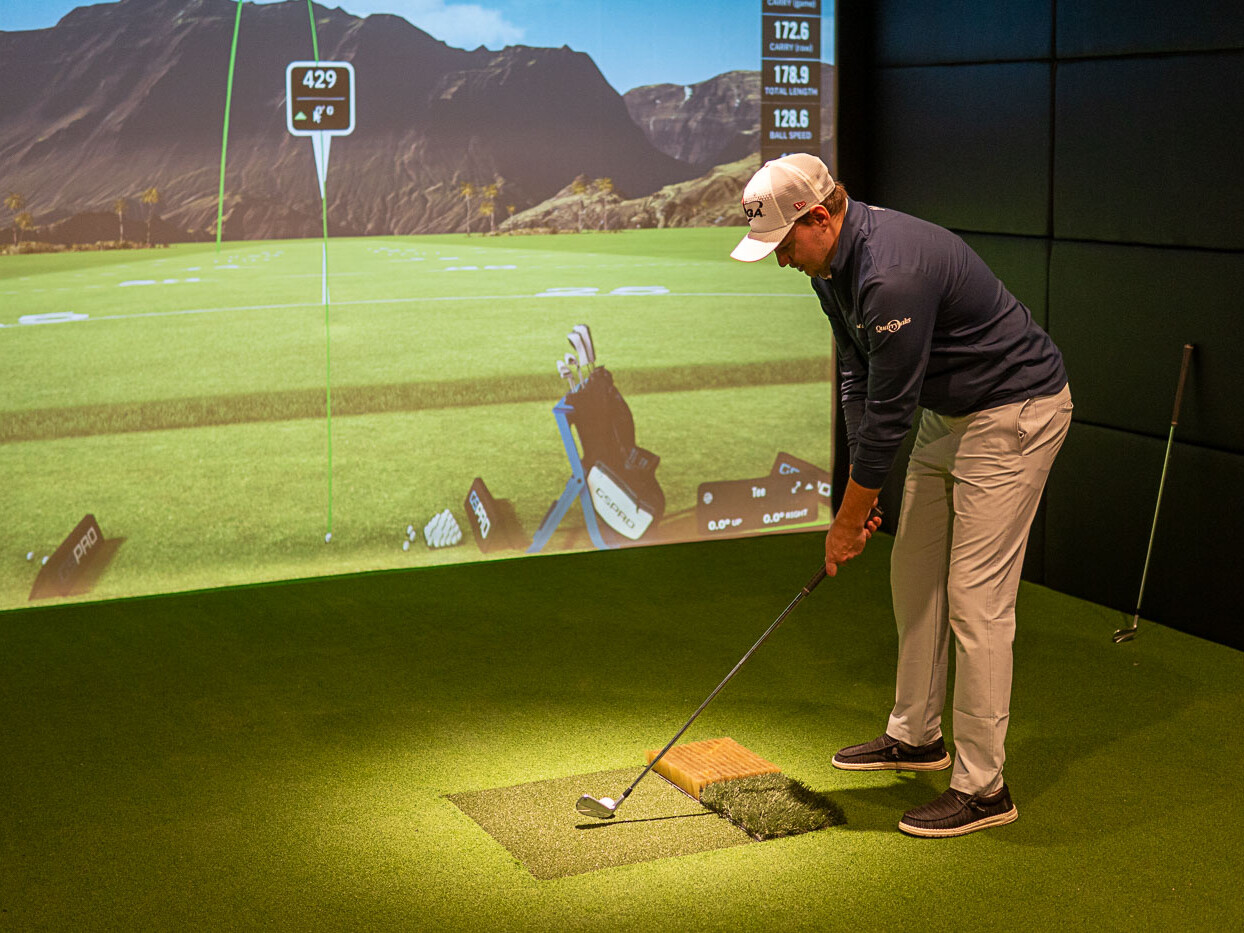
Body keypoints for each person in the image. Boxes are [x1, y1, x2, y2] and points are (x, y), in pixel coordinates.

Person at [730, 153, 1072, 838]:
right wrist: (865, 491)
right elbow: (858, 377)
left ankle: (984, 787)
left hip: (1016, 412)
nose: (780, 260)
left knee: (977, 601)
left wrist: (848, 519)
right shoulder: (831, 267)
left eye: (784, 244)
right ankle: (916, 736)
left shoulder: (890, 273)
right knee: (914, 572)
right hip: (952, 415)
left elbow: (891, 412)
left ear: (819, 217)